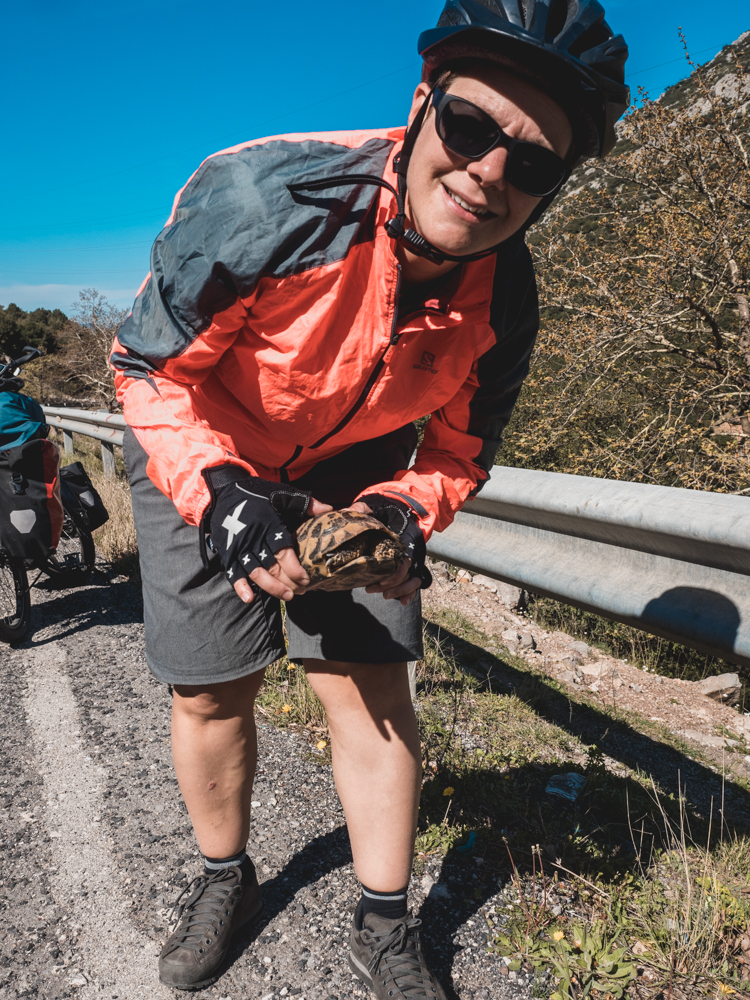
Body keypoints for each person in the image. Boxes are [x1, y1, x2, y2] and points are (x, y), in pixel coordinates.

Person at [111, 0, 629, 994]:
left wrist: (400, 513)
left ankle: (384, 922)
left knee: (374, 694)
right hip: (206, 437)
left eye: (532, 164)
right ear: (421, 104)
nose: (488, 175)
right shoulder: (261, 200)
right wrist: (218, 491)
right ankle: (226, 876)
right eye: (473, 129)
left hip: (360, 463)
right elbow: (147, 369)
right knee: (212, 688)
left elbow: (459, 451)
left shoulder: (505, 301)